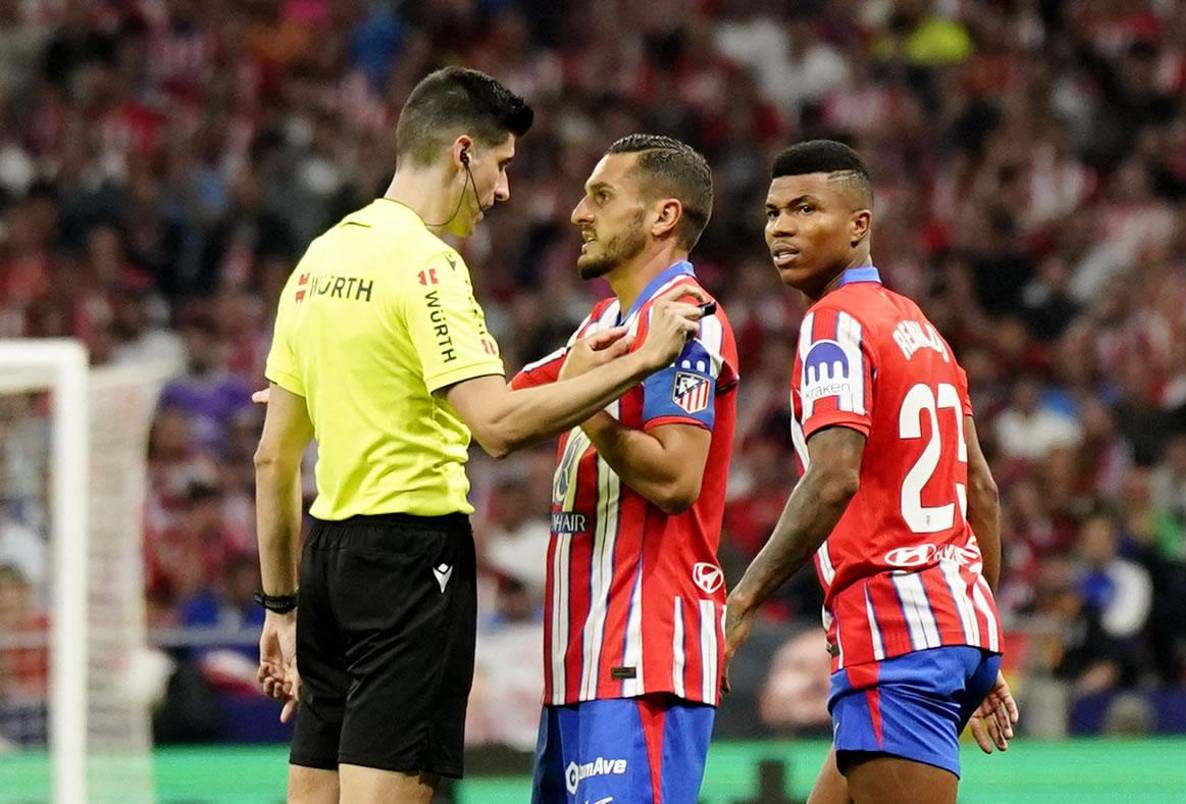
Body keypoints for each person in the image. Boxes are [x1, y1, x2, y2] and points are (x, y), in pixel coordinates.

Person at [253, 69, 708, 804]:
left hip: (327, 559)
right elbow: (495, 426)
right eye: (501, 167)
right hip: (411, 562)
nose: (501, 192)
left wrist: (279, 606)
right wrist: (645, 363)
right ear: (462, 151)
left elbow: (273, 456)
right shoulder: (429, 267)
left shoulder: (320, 258)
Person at [723, 141, 1018, 804]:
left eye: (805, 209)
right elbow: (982, 493)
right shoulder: (919, 327)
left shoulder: (833, 325)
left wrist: (740, 604)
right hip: (946, 624)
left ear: (859, 225)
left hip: (895, 634)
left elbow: (833, 478)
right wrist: (974, 638)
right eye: (773, 214)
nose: (782, 228)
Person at [511, 135, 739, 803]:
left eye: (602, 196)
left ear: (662, 216)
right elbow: (500, 412)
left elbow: (675, 480)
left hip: (644, 656)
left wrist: (590, 409)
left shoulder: (686, 318)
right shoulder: (603, 325)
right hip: (576, 667)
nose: (579, 213)